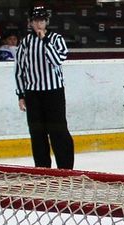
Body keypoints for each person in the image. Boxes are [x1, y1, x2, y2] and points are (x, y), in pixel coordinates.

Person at [14, 5, 74, 170]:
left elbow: (57, 60)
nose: (39, 24)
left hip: (53, 92)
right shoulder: (25, 42)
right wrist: (21, 95)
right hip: (33, 94)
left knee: (58, 131)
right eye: (35, 20)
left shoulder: (56, 39)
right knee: (37, 133)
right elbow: (20, 70)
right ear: (30, 22)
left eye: (41, 20)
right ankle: (42, 170)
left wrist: (45, 40)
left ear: (46, 21)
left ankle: (66, 169)